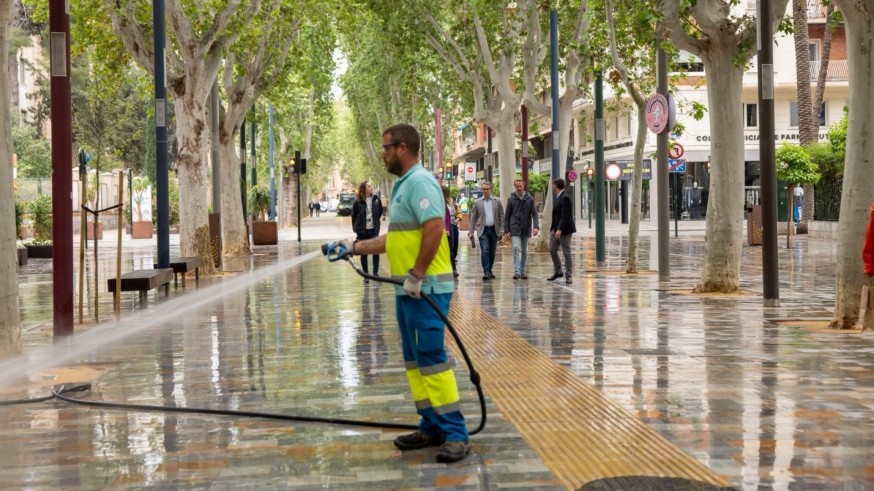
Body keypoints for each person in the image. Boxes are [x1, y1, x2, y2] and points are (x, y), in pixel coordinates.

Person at [326, 124, 470, 463]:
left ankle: (455, 434)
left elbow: (436, 228)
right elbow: (397, 239)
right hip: (410, 290)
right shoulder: (404, 186)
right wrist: (354, 247)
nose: (383, 154)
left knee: (432, 359)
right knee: (415, 361)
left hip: (427, 288)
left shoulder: (420, 182)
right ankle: (430, 426)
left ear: (402, 148)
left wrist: (418, 274)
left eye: (386, 148)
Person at [503, 179, 539, 280]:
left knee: (525, 251)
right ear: (515, 187)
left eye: (520, 186)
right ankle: (517, 271)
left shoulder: (529, 198)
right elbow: (507, 216)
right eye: (517, 186)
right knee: (515, 248)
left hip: (526, 227)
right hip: (514, 227)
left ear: (523, 186)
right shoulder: (511, 199)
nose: (519, 188)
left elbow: (535, 214)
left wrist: (536, 227)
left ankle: (523, 271)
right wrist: (507, 230)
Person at [467, 181, 504, 281]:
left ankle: (490, 269)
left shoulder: (497, 201)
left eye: (487, 189)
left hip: (494, 229)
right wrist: (471, 232)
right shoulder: (477, 202)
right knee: (485, 250)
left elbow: (501, 216)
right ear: (481, 190)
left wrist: (502, 229)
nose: (485, 191)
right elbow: (473, 218)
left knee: (492, 252)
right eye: (484, 189)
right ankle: (486, 271)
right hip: (483, 230)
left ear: (490, 189)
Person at [352, 181, 384, 283]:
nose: (371, 187)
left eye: (371, 186)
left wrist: (375, 223)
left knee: (376, 251)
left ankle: (375, 274)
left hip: (373, 230)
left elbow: (380, 211)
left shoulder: (376, 199)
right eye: (369, 186)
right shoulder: (357, 201)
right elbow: (354, 215)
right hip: (362, 231)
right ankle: (366, 275)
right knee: (363, 253)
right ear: (364, 189)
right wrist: (356, 228)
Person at [548, 178, 576, 284]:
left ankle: (569, 275)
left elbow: (565, 216)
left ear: (556, 185)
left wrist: (559, 229)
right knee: (552, 249)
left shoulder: (565, 197)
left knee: (566, 252)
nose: (552, 187)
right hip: (555, 228)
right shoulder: (558, 197)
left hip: (564, 229)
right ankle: (558, 271)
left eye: (553, 185)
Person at [442, 187, 460, 278]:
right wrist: (445, 229)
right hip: (442, 230)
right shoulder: (439, 204)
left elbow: (449, 219)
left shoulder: (450, 204)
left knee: (451, 250)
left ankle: (453, 269)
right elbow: (441, 218)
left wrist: (449, 229)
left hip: (450, 228)